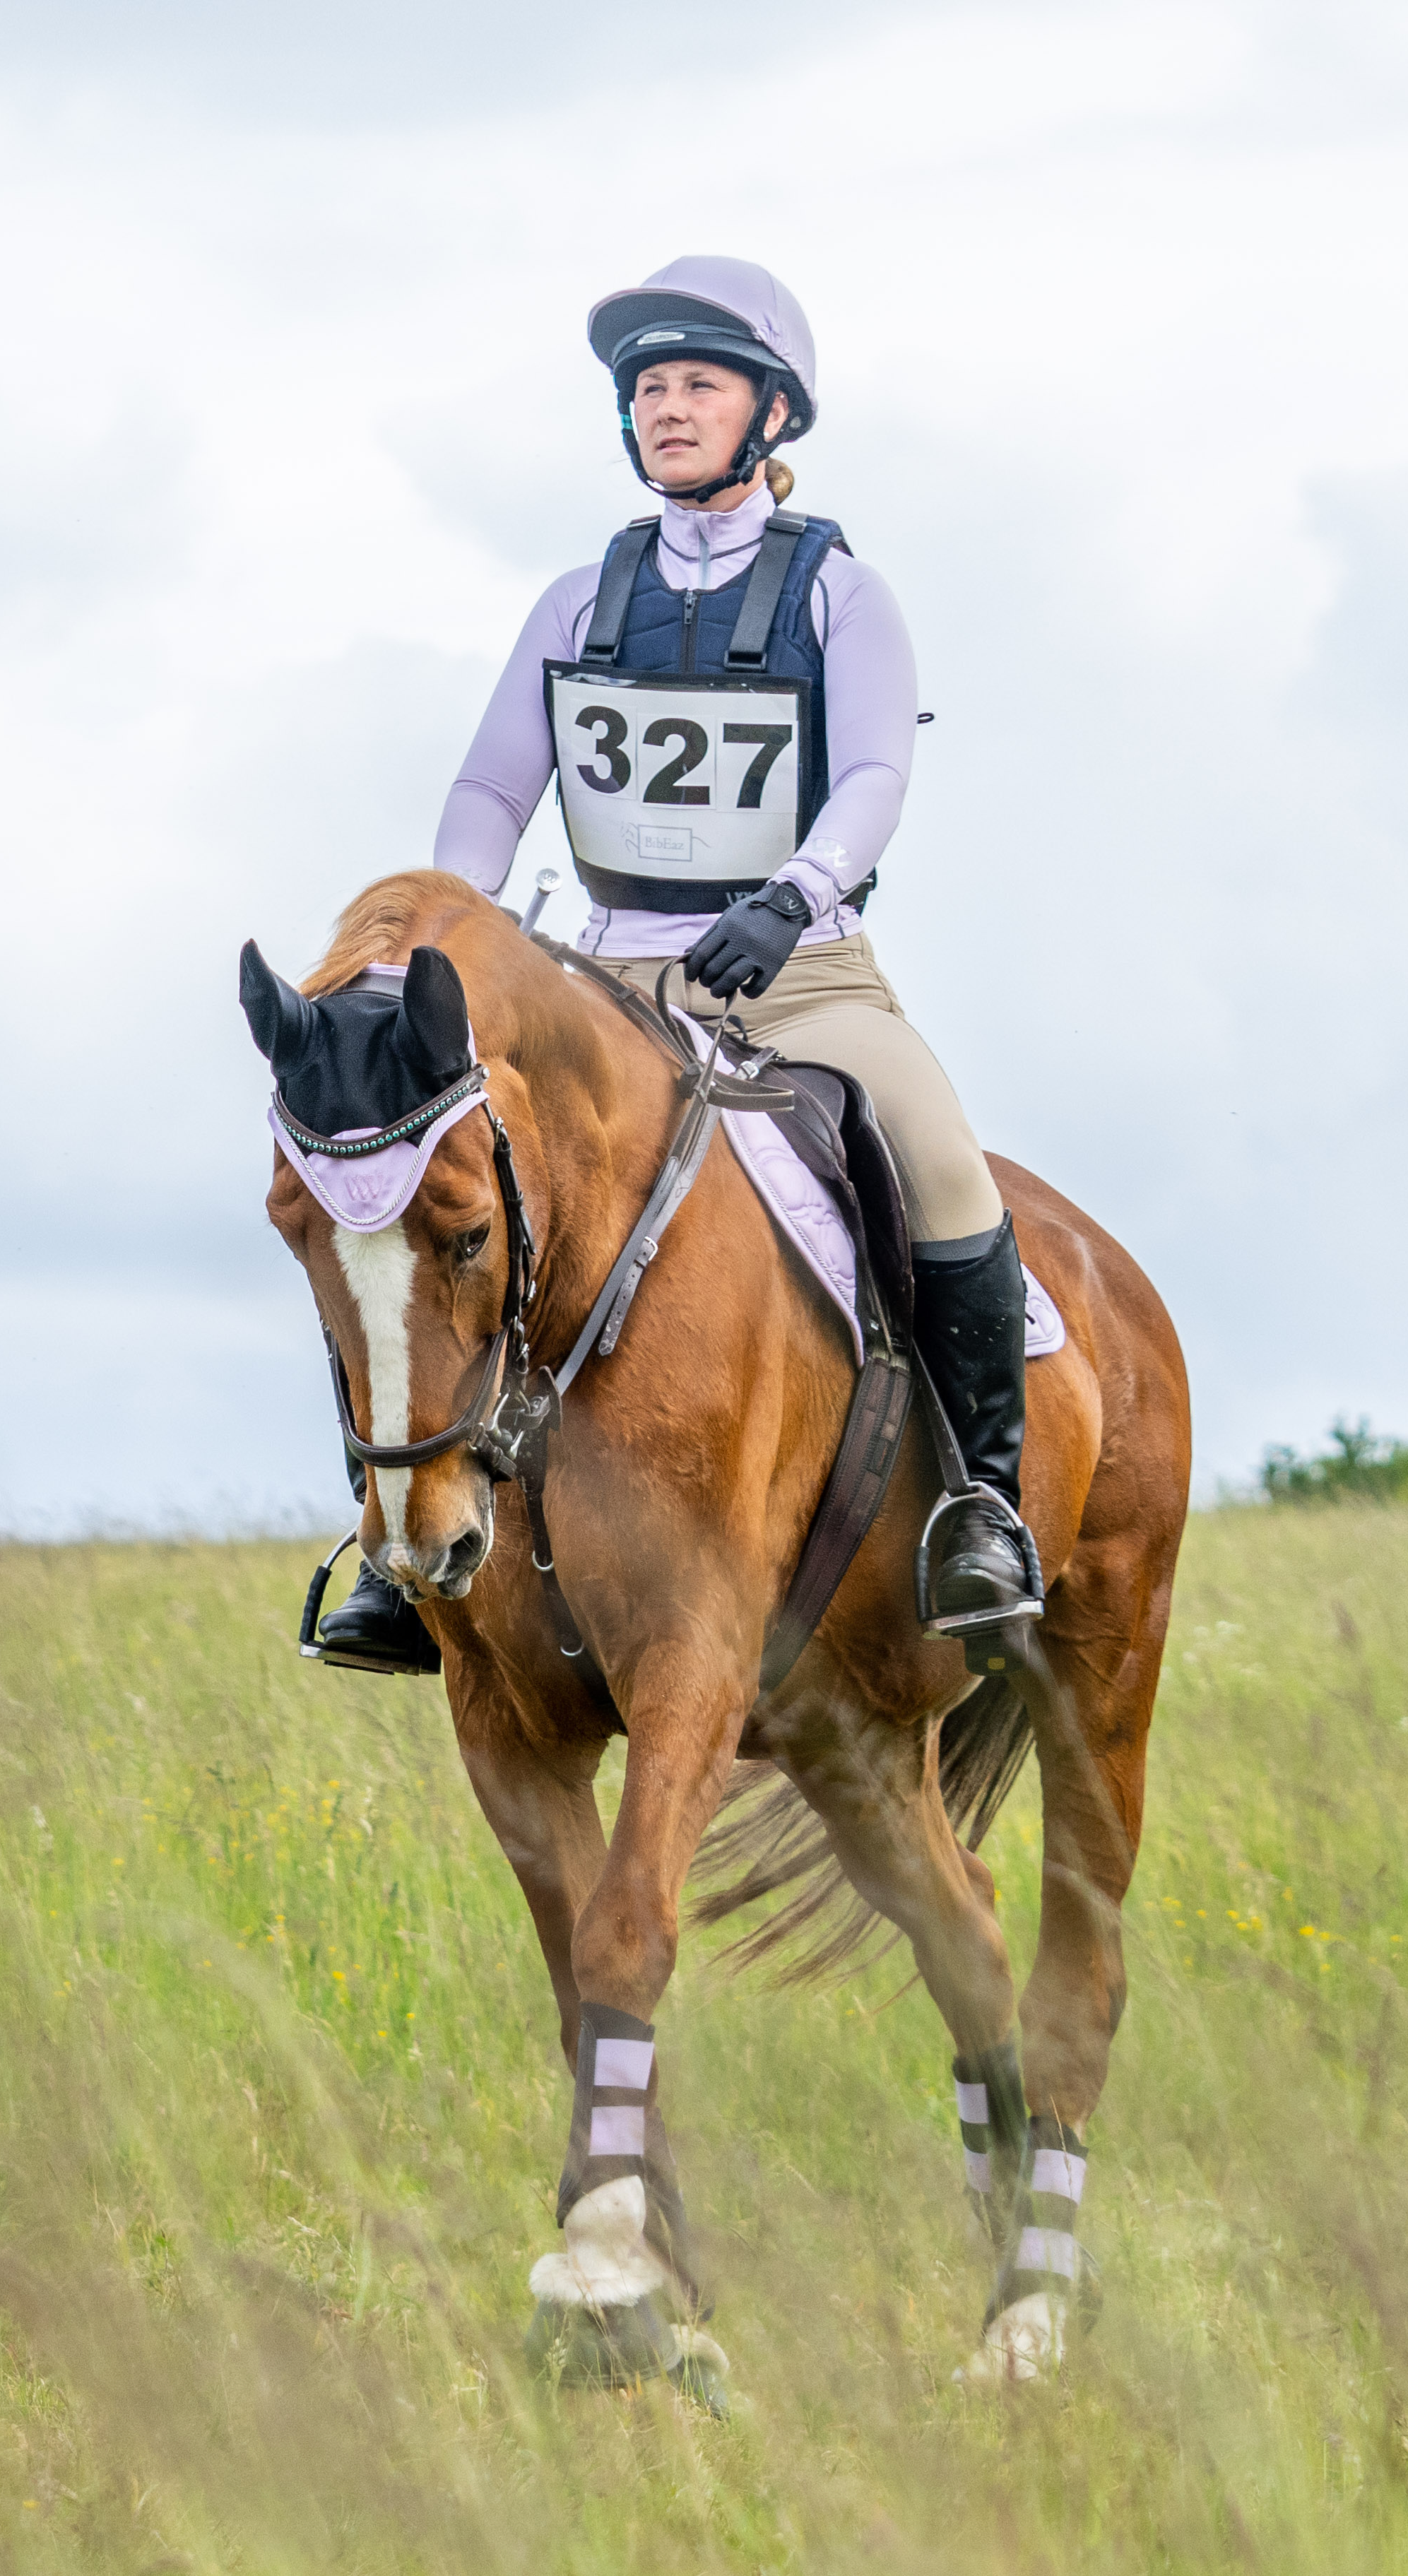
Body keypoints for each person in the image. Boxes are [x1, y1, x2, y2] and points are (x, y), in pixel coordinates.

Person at [307, 255, 1039, 1677]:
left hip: (798, 970)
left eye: (695, 382)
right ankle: (392, 1553)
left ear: (771, 413)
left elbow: (876, 770)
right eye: (646, 389)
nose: (664, 407)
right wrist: (454, 927)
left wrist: (793, 894)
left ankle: (977, 1510)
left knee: (941, 1164)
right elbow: (488, 786)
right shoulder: (579, 598)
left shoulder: (844, 592)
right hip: (604, 976)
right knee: (389, 1186)